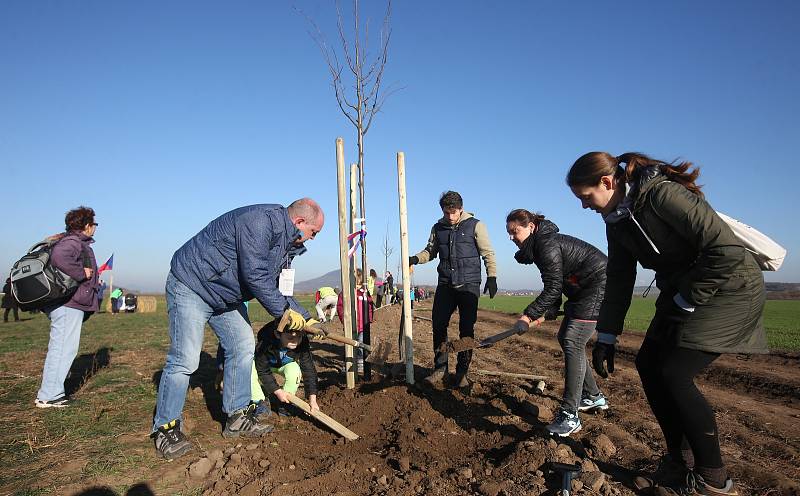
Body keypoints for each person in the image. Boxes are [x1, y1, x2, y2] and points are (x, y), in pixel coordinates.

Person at [567, 152, 767, 495]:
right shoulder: (617, 218)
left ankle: (714, 481)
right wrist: (607, 335)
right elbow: (618, 277)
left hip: (729, 288)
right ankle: (681, 463)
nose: (585, 206)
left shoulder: (662, 195)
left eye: (586, 197)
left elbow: (727, 253)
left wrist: (686, 299)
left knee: (674, 373)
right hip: (682, 290)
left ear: (607, 182)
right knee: (648, 363)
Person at [151, 199, 324, 460]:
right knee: (185, 358)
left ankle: (236, 416)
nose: (313, 238)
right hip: (192, 284)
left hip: (225, 295)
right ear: (299, 222)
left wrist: (305, 317)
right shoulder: (260, 222)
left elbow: (280, 287)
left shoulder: (285, 245)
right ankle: (166, 428)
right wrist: (285, 314)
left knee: (242, 346)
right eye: (314, 232)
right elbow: (255, 276)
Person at [505, 208, 610, 437]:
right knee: (567, 339)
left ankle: (570, 415)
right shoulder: (539, 244)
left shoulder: (546, 245)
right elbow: (559, 281)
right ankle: (593, 396)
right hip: (581, 288)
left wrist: (528, 315)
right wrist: (549, 310)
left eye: (515, 231)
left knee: (572, 340)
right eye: (509, 233)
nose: (512, 237)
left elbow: (552, 287)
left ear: (531, 226)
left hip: (596, 285)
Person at [408, 191, 497, 388]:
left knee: (466, 329)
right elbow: (430, 251)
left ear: (461, 209)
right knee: (438, 325)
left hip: (469, 285)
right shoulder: (438, 228)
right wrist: (415, 258)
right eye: (446, 213)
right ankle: (440, 369)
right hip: (446, 284)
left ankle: (462, 372)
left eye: (453, 212)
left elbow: (487, 252)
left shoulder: (476, 225)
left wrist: (492, 276)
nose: (450, 217)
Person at [35, 206, 100, 407]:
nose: (95, 228)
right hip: (68, 304)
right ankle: (49, 395)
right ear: (87, 226)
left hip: (66, 303)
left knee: (62, 347)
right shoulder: (72, 242)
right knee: (63, 348)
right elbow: (60, 257)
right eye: (94, 224)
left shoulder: (68, 239)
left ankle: (51, 392)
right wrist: (83, 273)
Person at [254, 319, 320, 416]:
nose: (295, 341)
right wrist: (277, 391)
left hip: (282, 365)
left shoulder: (302, 343)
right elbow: (262, 370)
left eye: (299, 337)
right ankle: (259, 403)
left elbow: (308, 369)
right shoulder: (266, 343)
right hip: (262, 365)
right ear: (278, 335)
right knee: (250, 371)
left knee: (294, 370)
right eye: (290, 338)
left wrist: (312, 400)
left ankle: (285, 403)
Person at [336, 269, 374, 373]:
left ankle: (360, 364)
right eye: (356, 285)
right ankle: (348, 365)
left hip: (362, 325)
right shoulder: (345, 294)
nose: (357, 287)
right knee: (349, 346)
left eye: (359, 285)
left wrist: (369, 318)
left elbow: (370, 306)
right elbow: (340, 307)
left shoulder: (365, 292)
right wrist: (344, 319)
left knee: (361, 345)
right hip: (350, 325)